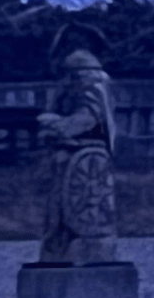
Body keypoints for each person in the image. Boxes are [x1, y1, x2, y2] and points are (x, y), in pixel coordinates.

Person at [36, 49, 119, 265]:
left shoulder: (92, 86)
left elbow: (89, 116)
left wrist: (62, 126)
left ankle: (77, 244)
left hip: (88, 150)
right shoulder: (71, 88)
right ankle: (58, 241)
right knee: (57, 209)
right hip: (72, 153)